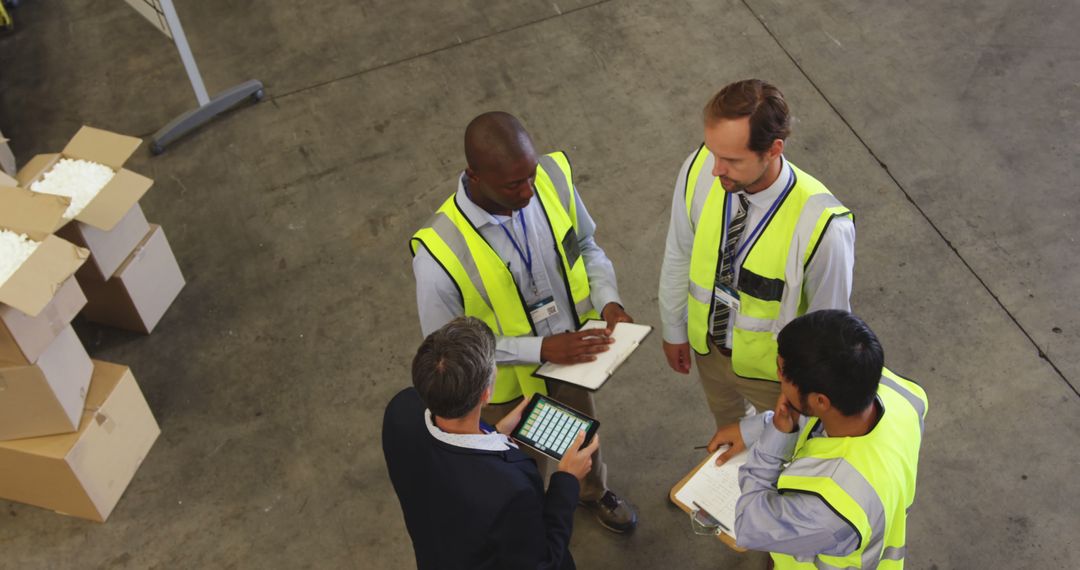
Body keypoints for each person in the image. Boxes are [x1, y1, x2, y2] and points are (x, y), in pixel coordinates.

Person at [410, 111, 638, 532]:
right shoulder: (439, 255)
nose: (529, 190)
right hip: (503, 389)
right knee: (519, 468)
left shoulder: (549, 177)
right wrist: (540, 349)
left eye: (530, 176)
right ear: (474, 176)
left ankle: (593, 494)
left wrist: (608, 300)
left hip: (571, 357)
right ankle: (532, 527)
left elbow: (586, 244)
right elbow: (447, 352)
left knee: (580, 439)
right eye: (514, 184)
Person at [658, 79, 856, 439]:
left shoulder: (824, 229)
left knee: (786, 454)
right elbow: (679, 250)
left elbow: (828, 333)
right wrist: (673, 329)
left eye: (732, 160)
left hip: (776, 380)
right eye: (713, 152)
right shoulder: (701, 169)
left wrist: (797, 396)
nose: (716, 169)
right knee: (728, 433)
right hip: (709, 351)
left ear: (773, 149)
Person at [707, 310, 928, 569]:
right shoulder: (895, 392)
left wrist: (768, 452)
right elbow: (815, 420)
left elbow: (750, 523)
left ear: (820, 401)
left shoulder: (829, 508)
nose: (778, 376)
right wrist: (758, 429)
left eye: (781, 370)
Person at [383, 317, 600, 570]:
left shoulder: (401, 410)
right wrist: (567, 480)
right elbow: (544, 561)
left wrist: (494, 433)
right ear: (487, 394)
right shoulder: (509, 491)